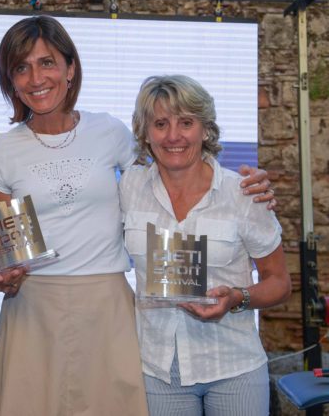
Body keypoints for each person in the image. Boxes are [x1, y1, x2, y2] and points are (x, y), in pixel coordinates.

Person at [0, 16, 273, 416]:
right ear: (10, 81)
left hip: (108, 306)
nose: (36, 78)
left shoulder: (110, 132)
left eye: (47, 62)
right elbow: (9, 253)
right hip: (34, 308)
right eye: (21, 68)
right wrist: (0, 277)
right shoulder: (1, 152)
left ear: (70, 68)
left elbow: (171, 170)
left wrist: (245, 184)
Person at [120, 74, 291, 416]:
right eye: (161, 124)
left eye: (186, 123)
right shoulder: (129, 186)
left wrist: (237, 298)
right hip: (157, 370)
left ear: (206, 130)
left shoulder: (243, 193)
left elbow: (280, 283)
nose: (173, 136)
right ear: (145, 132)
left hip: (233, 366)